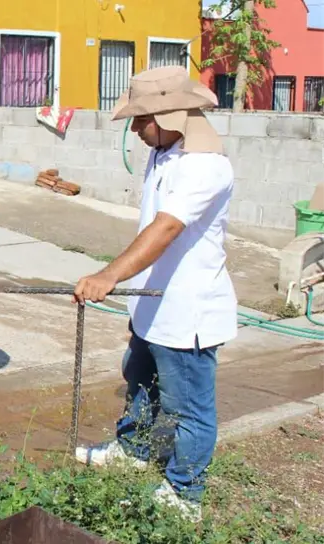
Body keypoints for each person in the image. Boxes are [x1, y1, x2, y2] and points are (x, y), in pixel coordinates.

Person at [72, 66, 238, 522]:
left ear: (170, 117)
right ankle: (134, 449)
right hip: (153, 301)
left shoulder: (206, 167)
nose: (135, 130)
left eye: (140, 120)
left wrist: (108, 276)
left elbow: (165, 229)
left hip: (188, 311)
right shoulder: (164, 154)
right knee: (139, 381)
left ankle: (185, 494)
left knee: (189, 407)